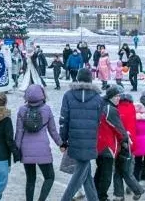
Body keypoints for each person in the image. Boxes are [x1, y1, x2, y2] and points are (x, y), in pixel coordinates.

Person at [59, 68, 103, 201]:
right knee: (83, 171)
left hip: (75, 139)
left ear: (77, 78)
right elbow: (99, 120)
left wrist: (63, 140)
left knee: (83, 170)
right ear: (91, 79)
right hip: (91, 139)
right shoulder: (97, 98)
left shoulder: (68, 95)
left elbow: (63, 119)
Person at [16, 85, 62, 201]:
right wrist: (62, 144)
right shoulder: (47, 109)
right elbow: (53, 131)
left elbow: (19, 132)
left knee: (30, 179)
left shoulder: (22, 110)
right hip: (43, 150)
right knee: (49, 177)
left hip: (26, 150)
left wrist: (16, 149)